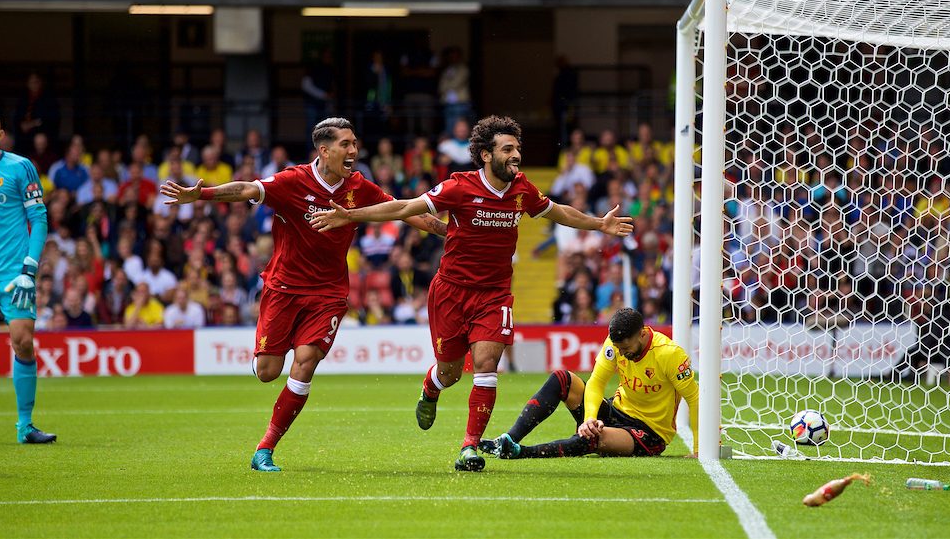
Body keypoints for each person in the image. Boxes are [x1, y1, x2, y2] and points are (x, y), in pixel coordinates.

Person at [309, 115, 633, 472]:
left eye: (517, 149)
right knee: (449, 373)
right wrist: (350, 215)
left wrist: (598, 223)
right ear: (484, 154)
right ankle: (431, 389)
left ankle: (469, 447)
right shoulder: (458, 187)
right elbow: (404, 207)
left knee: (486, 365)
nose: (516, 155)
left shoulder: (522, 189)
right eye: (507, 149)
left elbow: (558, 212)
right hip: (450, 292)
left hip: (494, 296)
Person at [160, 117, 446, 472]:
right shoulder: (292, 181)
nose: (354, 150)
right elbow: (247, 190)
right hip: (284, 288)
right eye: (346, 144)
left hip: (328, 293)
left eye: (355, 143)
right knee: (267, 371)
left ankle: (265, 449)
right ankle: (264, 359)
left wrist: (450, 233)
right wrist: (199, 194)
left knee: (306, 363)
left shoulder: (358, 187)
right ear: (324, 151)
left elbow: (404, 211)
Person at [480, 307, 698, 460]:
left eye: (626, 348)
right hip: (617, 410)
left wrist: (700, 448)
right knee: (562, 378)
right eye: (619, 349)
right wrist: (590, 418)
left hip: (649, 432)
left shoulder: (669, 354)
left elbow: (694, 398)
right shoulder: (614, 344)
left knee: (591, 439)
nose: (621, 353)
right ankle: (508, 440)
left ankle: (520, 452)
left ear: (642, 334)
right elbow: (596, 382)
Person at [0, 111, 56, 444]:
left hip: (13, 271)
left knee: (23, 341)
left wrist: (30, 266)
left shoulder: (19, 166)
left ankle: (25, 426)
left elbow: (39, 219)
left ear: (0, 136)